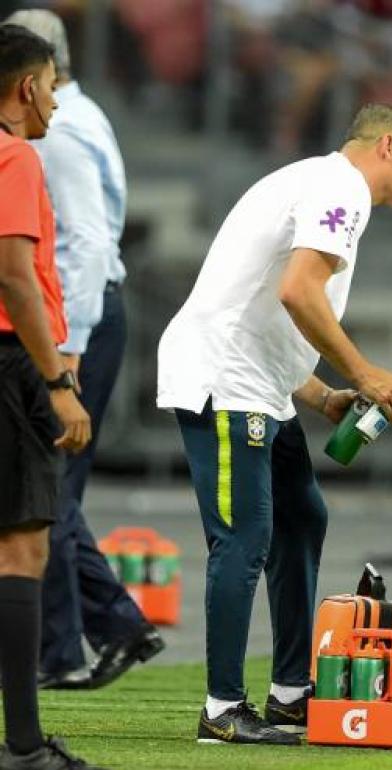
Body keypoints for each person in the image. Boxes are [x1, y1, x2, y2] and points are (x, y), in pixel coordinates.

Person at [156, 103, 392, 745]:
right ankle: (222, 709)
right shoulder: (341, 190)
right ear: (386, 146)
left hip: (260, 385)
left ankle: (289, 695)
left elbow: (256, 299)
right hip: (226, 383)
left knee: (304, 517)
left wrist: (322, 395)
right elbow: (298, 292)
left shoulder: (317, 183)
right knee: (244, 539)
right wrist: (364, 375)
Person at [4, 8, 164, 693]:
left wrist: (64, 356)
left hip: (68, 324)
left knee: (47, 490)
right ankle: (108, 627)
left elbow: (89, 246)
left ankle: (59, 646)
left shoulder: (57, 134)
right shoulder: (75, 117)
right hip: (69, 320)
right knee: (49, 489)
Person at [0, 23, 100, 770]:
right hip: (12, 367)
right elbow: (14, 279)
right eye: (52, 87)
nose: (56, 105)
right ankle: (26, 746)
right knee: (23, 548)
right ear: (28, 85)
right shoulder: (13, 156)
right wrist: (60, 384)